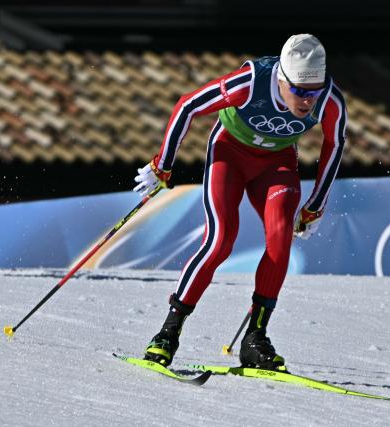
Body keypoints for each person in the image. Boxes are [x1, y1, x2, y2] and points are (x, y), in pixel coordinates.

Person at [133, 34, 348, 370]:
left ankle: (255, 339)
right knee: (220, 241)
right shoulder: (251, 81)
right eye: (301, 92)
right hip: (229, 156)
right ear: (282, 79)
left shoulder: (328, 99)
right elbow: (188, 105)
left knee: (280, 242)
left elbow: (334, 144)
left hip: (276, 164)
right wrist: (163, 164)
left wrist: (316, 204)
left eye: (315, 91)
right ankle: (167, 333)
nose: (308, 101)